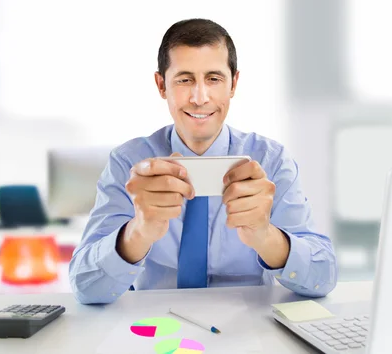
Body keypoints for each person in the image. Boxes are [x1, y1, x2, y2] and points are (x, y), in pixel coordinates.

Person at [69, 18, 337, 305]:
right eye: (184, 80)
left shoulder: (271, 162)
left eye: (214, 79)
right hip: (154, 326)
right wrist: (139, 232)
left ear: (233, 84)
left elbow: (324, 277)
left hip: (248, 325)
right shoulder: (129, 164)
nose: (199, 98)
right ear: (162, 85)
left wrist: (265, 235)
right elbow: (87, 288)